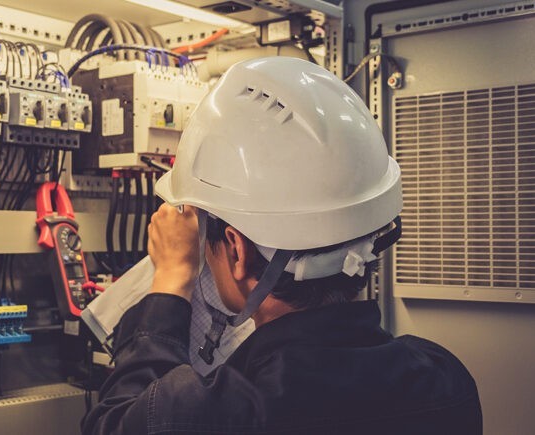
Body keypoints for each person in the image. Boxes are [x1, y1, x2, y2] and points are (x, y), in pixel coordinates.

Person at [82, 57, 482, 434]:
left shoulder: (209, 413)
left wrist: (170, 280)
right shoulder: (445, 380)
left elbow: (117, 419)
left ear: (236, 250)